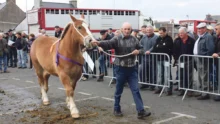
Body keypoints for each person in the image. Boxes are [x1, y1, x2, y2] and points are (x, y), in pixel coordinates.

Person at [91, 22, 151, 119]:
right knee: (119, 90)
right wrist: (99, 43)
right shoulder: (117, 39)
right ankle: (116, 108)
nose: (127, 31)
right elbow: (108, 43)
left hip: (132, 69)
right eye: (125, 29)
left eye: (128, 29)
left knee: (136, 90)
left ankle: (141, 111)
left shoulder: (134, 39)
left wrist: (138, 51)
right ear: (122, 29)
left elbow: (142, 49)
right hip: (120, 68)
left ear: (131, 30)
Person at [193, 23, 214, 100]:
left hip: (203, 59)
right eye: (198, 29)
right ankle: (202, 91)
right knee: (200, 76)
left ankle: (205, 93)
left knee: (204, 76)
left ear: (205, 29)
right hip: (198, 58)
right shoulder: (201, 37)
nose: (199, 30)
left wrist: (205, 58)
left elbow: (210, 49)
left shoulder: (208, 37)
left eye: (201, 28)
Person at [151, 27, 173, 95]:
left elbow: (166, 48)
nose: (160, 34)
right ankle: (159, 88)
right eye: (159, 33)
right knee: (160, 74)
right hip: (159, 59)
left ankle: (168, 89)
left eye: (162, 33)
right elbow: (155, 48)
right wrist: (160, 46)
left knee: (167, 75)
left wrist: (159, 46)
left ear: (165, 32)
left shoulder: (169, 39)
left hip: (166, 59)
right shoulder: (158, 39)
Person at [173, 27, 195, 96]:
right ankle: (181, 89)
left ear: (186, 33)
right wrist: (176, 58)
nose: (180, 34)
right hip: (180, 60)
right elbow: (174, 50)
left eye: (182, 33)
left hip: (189, 60)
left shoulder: (192, 41)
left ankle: (189, 90)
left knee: (189, 76)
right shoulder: (177, 40)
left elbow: (194, 51)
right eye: (179, 33)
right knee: (181, 75)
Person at [139, 26, 158, 90]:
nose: (148, 32)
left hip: (153, 58)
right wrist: (140, 50)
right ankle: (144, 84)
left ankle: (152, 85)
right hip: (144, 58)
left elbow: (155, 46)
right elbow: (140, 44)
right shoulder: (144, 37)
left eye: (150, 30)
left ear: (153, 30)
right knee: (142, 70)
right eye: (147, 30)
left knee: (153, 72)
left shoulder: (156, 37)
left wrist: (149, 51)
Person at [212, 23, 220, 101]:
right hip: (217, 62)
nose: (215, 30)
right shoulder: (217, 37)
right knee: (218, 77)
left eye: (217, 29)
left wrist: (218, 54)